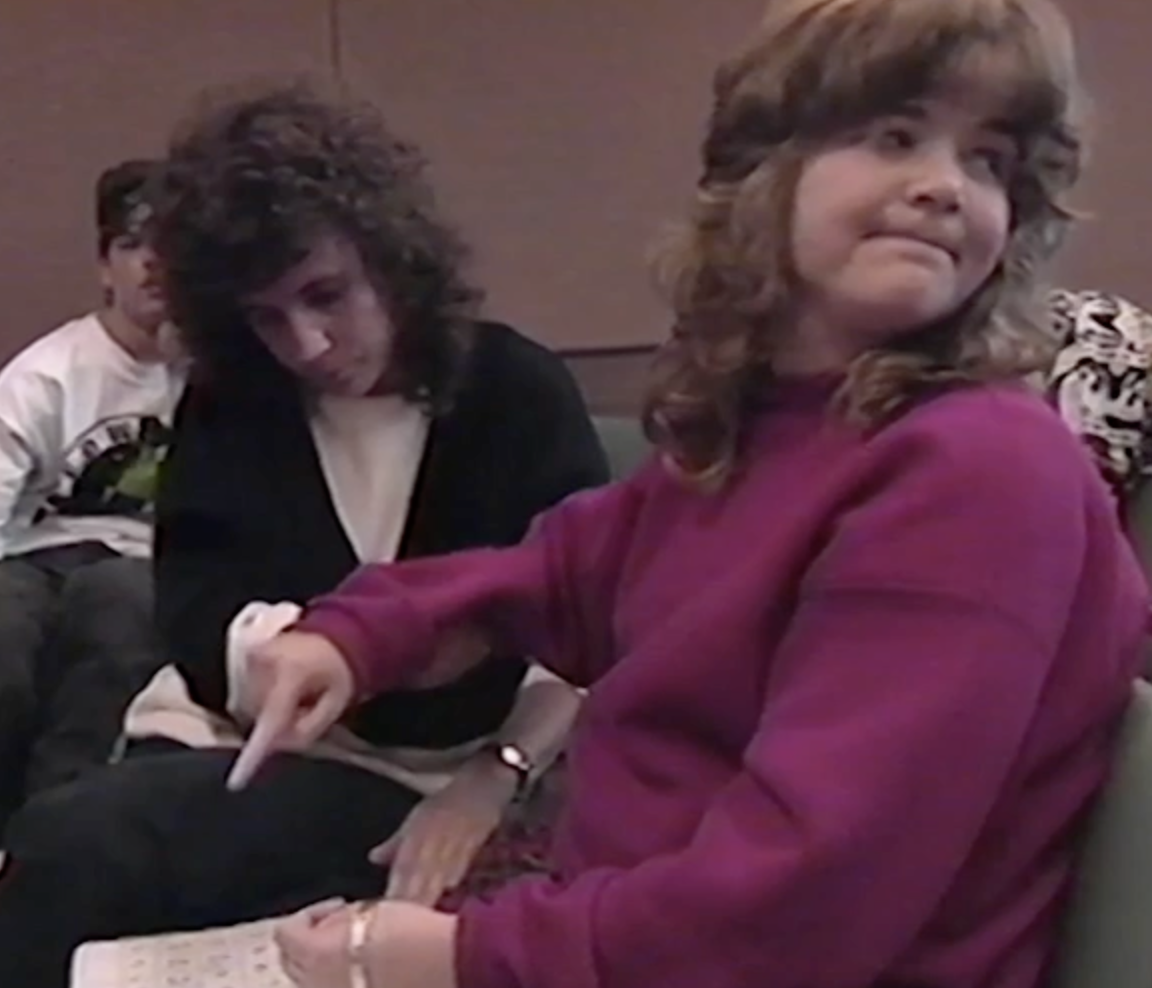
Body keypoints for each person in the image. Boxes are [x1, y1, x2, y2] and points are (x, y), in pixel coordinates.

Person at [244, 2, 1145, 988]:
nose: (944, 186)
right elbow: (563, 572)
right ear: (768, 168)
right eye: (896, 135)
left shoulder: (977, 472)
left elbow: (800, 912)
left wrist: (453, 957)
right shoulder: (779, 423)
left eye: (989, 161)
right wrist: (359, 634)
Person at [0, 84, 607, 987]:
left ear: (390, 259)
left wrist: (493, 777)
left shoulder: (516, 393)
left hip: (445, 772)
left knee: (88, 854)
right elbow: (196, 610)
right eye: (268, 317)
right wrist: (276, 656)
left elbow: (595, 625)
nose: (309, 344)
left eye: (327, 295)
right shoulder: (231, 403)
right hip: (235, 743)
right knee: (68, 853)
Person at [0, 158, 184, 833]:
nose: (152, 263)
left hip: (144, 563)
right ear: (105, 267)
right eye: (132, 245)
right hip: (35, 557)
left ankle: (48, 834)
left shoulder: (224, 376)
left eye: (170, 244)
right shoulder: (46, 376)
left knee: (121, 609)